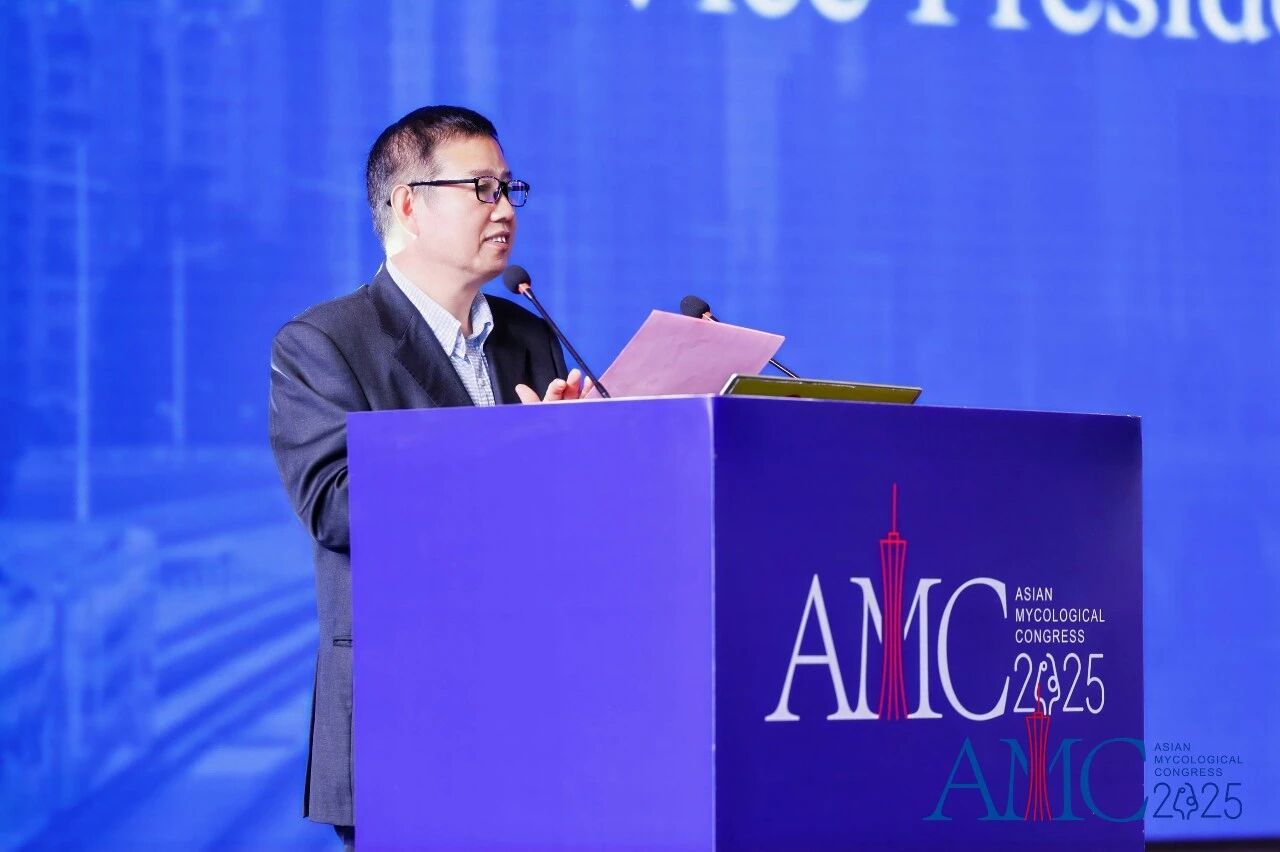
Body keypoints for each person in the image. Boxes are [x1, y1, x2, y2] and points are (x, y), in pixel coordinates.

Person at [268, 105, 590, 850]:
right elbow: (338, 506)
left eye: (509, 188)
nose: (504, 208)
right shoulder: (325, 343)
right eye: (480, 188)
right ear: (408, 204)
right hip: (406, 714)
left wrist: (586, 449)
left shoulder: (530, 333)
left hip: (536, 707)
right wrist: (517, 450)